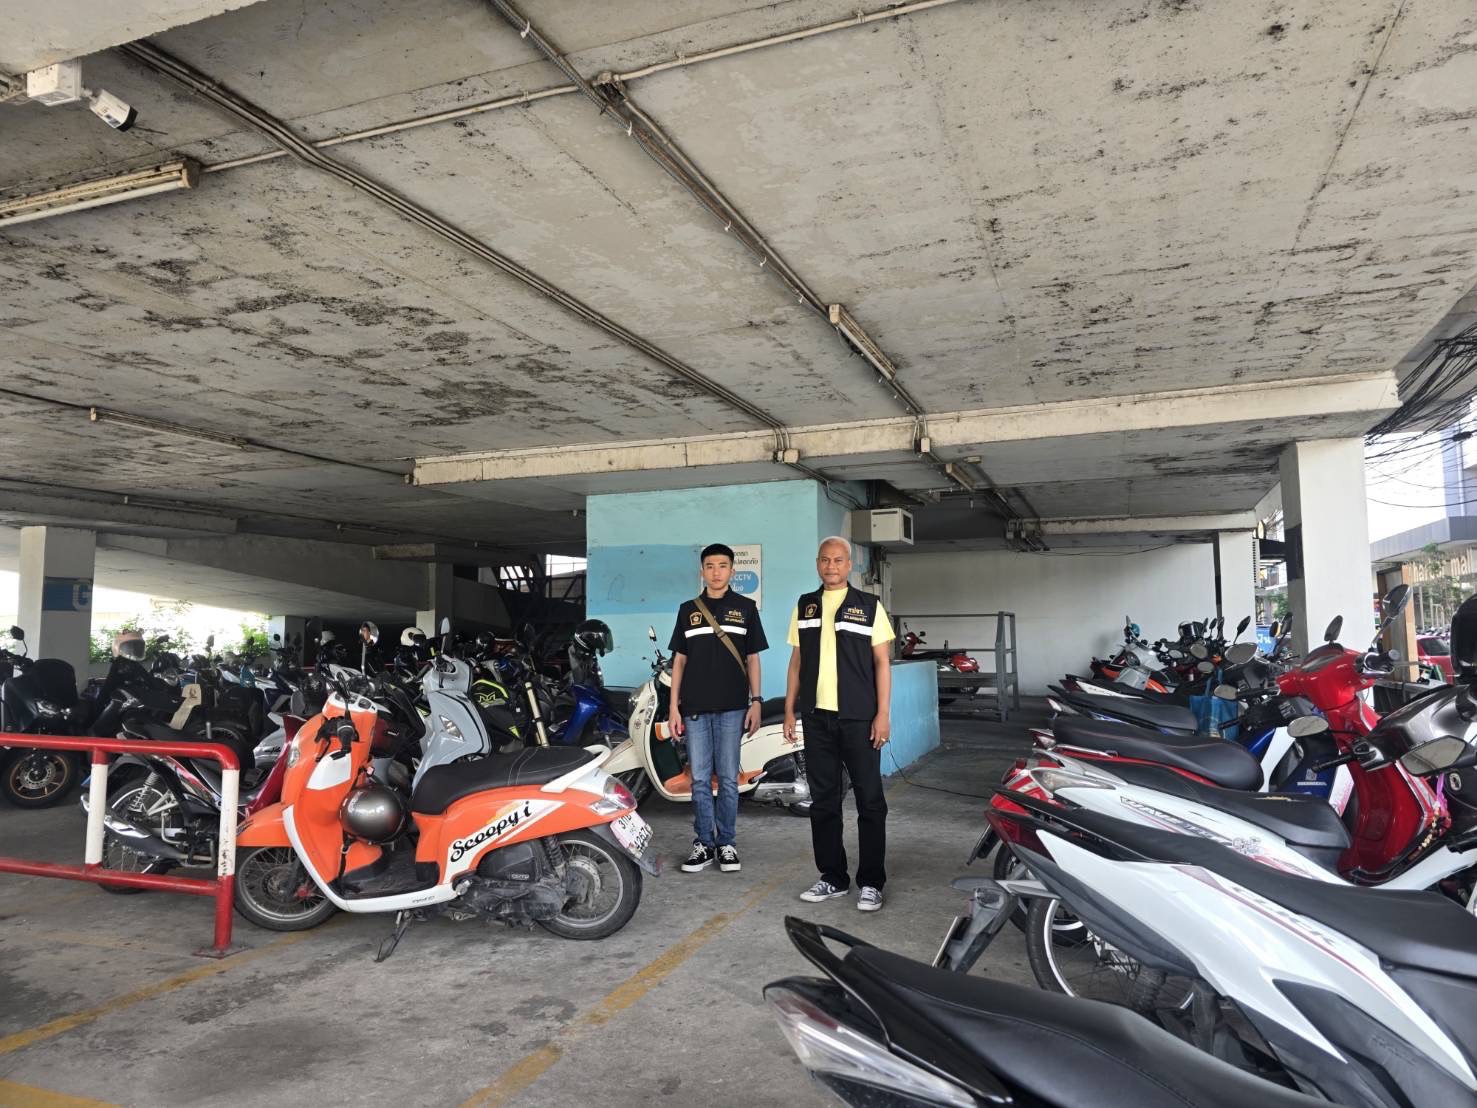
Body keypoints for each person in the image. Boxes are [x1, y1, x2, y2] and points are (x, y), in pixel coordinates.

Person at [783, 536, 893, 912]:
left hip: (859, 719)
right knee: (824, 802)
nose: (831, 566)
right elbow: (796, 663)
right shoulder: (806, 605)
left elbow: (882, 663)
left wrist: (882, 713)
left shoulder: (869, 606)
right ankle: (832, 876)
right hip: (817, 719)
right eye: (825, 560)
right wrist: (789, 710)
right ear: (818, 563)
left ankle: (871, 882)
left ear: (849, 565)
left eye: (838, 560)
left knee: (870, 801)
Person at [668, 543, 768, 873]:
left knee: (727, 779)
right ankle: (703, 843)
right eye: (710, 566)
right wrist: (673, 708)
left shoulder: (746, 608)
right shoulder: (687, 610)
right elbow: (679, 661)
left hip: (732, 708)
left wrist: (756, 701)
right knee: (699, 780)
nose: (716, 572)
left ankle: (726, 843)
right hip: (694, 708)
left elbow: (753, 659)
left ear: (732, 571)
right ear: (702, 571)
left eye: (722, 566)